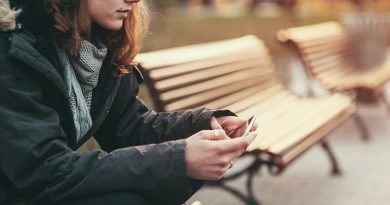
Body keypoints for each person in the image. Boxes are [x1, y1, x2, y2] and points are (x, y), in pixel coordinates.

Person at [0, 0, 257, 204]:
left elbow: (129, 127)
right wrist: (180, 159)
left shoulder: (98, 44)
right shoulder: (11, 48)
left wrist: (202, 124)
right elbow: (44, 170)